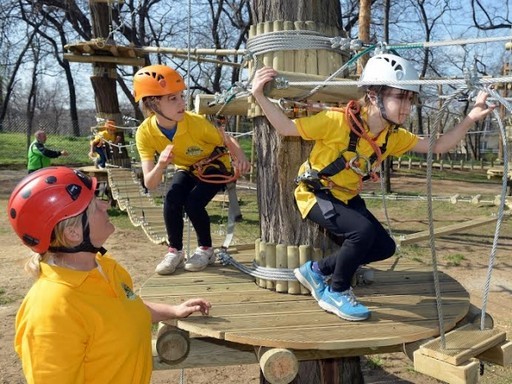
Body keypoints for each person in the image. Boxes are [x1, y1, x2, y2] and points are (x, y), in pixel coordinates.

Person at [250, 53, 495, 321]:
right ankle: (336, 290)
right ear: (374, 95)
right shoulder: (337, 121)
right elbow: (286, 128)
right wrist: (260, 96)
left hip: (346, 197)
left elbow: (438, 145)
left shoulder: (393, 136)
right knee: (362, 232)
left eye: (409, 99)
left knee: (383, 248)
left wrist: (470, 117)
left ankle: (317, 270)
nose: (406, 106)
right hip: (316, 194)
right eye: (399, 97)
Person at [7, 166, 211, 383]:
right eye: (94, 205)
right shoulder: (52, 311)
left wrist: (173, 311)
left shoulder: (105, 267)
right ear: (73, 233)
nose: (105, 205)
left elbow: (125, 307)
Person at [133, 64, 251, 275]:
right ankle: (175, 251)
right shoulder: (144, 133)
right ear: (153, 103)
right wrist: (161, 164)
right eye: (173, 98)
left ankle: (206, 249)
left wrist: (240, 156)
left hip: (215, 164)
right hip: (187, 166)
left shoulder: (195, 123)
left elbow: (226, 138)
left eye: (181, 96)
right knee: (172, 197)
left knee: (193, 202)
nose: (182, 102)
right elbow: (150, 184)